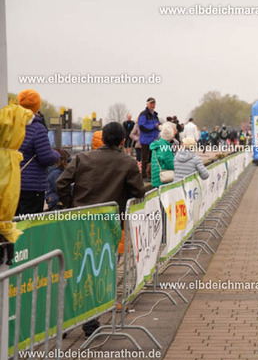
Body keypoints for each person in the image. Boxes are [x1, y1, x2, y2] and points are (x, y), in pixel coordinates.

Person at [56, 123, 145, 336]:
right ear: (123, 141)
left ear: (102, 138)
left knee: (74, 268)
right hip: (109, 225)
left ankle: (64, 320)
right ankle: (90, 320)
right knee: (101, 270)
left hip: (79, 221)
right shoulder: (128, 162)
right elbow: (139, 192)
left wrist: (70, 205)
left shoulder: (82, 158)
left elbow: (61, 183)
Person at [15, 89, 61, 216]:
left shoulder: (11, 125)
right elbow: (46, 157)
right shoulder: (37, 128)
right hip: (32, 186)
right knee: (29, 224)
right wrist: (56, 154)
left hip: (12, 183)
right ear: (37, 106)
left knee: (13, 222)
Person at [138, 97, 160, 180]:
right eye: (151, 103)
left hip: (154, 141)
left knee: (152, 159)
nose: (152, 105)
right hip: (146, 141)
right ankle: (144, 175)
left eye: (154, 103)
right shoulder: (143, 114)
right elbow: (142, 126)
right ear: (147, 104)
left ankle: (150, 174)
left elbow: (157, 126)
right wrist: (154, 126)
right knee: (145, 159)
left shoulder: (155, 115)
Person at [150, 123, 175, 188]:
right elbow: (171, 165)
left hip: (156, 177)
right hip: (163, 180)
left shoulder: (157, 145)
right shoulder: (165, 148)